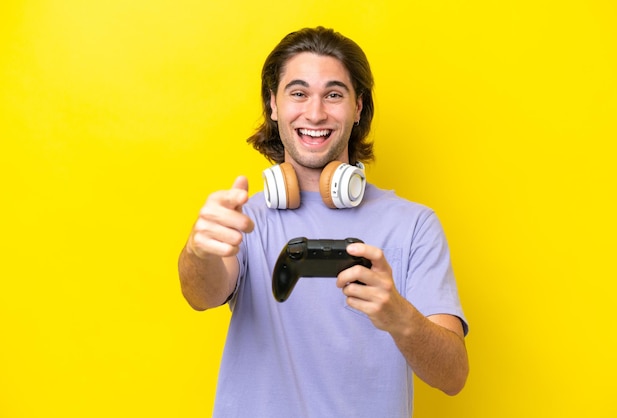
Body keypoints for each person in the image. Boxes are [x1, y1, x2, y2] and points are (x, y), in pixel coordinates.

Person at [178, 26, 469, 418]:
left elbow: (452, 376)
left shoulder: (414, 224)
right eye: (298, 93)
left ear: (358, 107)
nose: (315, 113)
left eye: (333, 95)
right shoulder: (244, 219)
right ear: (274, 105)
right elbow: (201, 294)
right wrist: (198, 251)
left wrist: (400, 316)